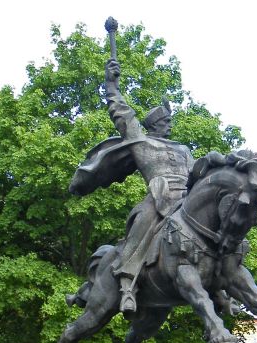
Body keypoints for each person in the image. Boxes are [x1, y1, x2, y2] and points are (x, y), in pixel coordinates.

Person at [69, 59, 195, 313]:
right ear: (156, 124)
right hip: (159, 199)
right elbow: (120, 111)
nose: (171, 125)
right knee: (142, 224)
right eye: (167, 121)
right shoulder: (141, 142)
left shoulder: (183, 149)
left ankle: (224, 287)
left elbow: (196, 175)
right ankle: (127, 285)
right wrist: (111, 83)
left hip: (187, 199)